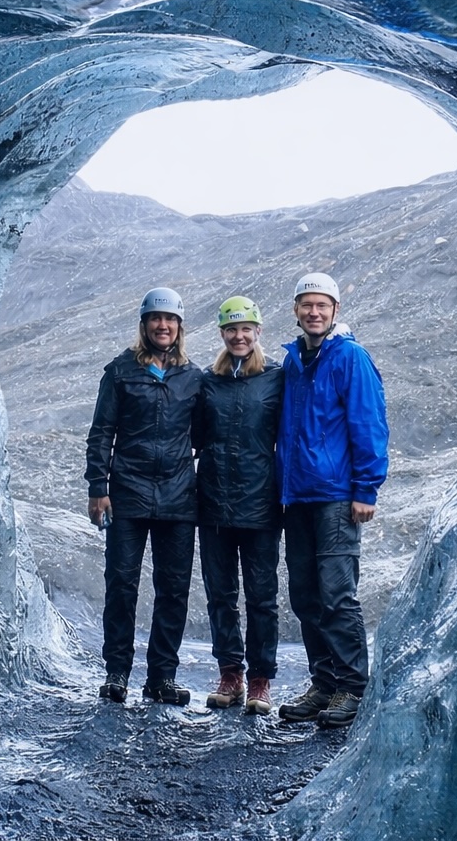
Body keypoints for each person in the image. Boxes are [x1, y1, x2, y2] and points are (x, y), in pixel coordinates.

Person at [275, 271, 389, 729]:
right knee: (305, 595)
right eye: (307, 305)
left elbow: (369, 423)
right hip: (298, 496)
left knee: (338, 594)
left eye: (322, 305)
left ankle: (352, 688)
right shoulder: (293, 361)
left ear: (335, 310)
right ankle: (323, 684)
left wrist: (366, 488)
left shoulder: (350, 357)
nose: (314, 312)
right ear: (297, 311)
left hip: (337, 496)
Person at [85, 287, 202, 705]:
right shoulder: (120, 372)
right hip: (127, 493)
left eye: (170, 320)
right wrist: (98, 488)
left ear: (179, 327)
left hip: (179, 498)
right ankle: (117, 672)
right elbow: (101, 433)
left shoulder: (194, 377)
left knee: (173, 589)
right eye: (156, 319)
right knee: (121, 584)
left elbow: (207, 436)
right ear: (144, 324)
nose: (163, 326)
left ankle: (161, 678)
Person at [192, 296, 284, 715]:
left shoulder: (276, 379)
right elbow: (191, 436)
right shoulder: (207, 383)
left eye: (246, 328)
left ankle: (261, 681)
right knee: (220, 595)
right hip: (212, 504)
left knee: (262, 596)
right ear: (222, 334)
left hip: (262, 504)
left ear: (258, 331)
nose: (239, 336)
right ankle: (231, 674)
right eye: (231, 329)